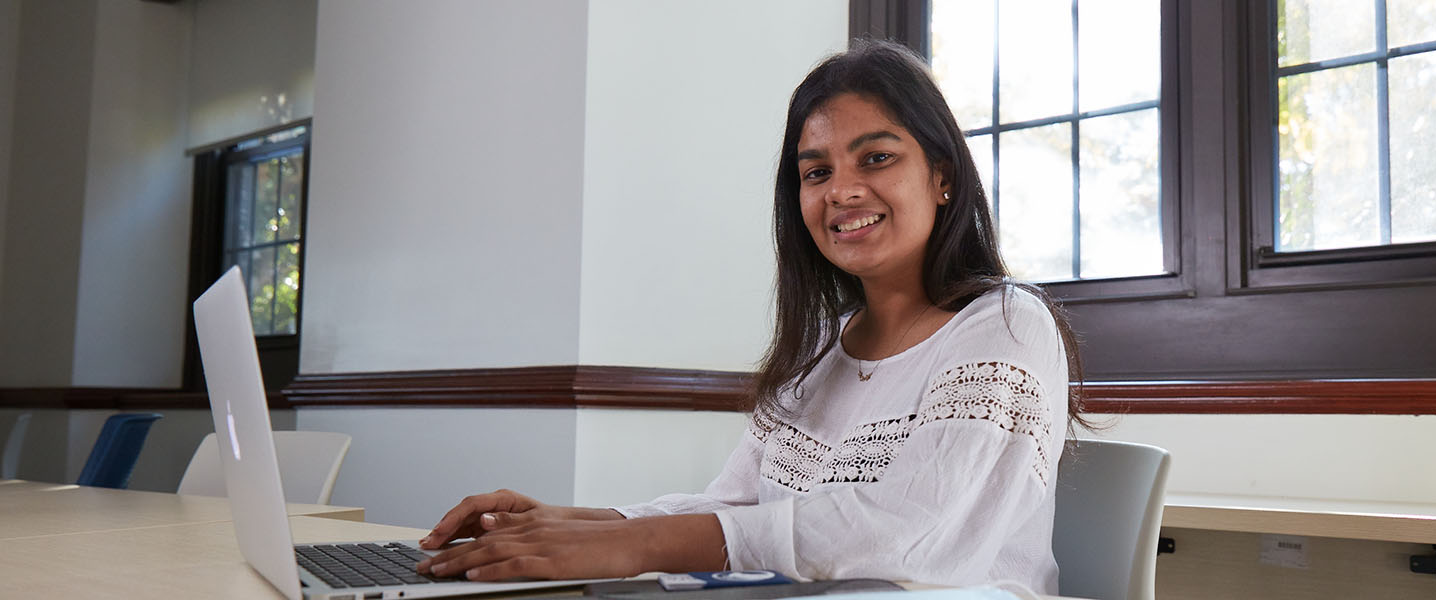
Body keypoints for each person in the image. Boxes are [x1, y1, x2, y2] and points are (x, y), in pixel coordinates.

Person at [415, 39, 1088, 593]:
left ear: (943, 175)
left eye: (876, 158)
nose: (843, 190)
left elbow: (910, 531)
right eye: (816, 171)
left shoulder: (1005, 323)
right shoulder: (820, 349)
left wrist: (631, 544)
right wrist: (582, 523)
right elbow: (737, 507)